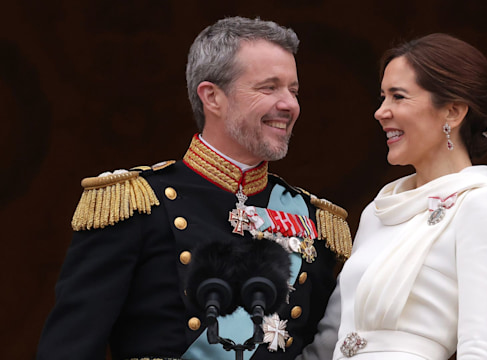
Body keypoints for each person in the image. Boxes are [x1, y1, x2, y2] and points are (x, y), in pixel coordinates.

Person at [37, 16, 352, 360]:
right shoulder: (139, 204)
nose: (289, 105)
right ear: (212, 97)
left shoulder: (313, 220)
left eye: (293, 90)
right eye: (269, 88)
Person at [300, 33, 487, 360]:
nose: (381, 112)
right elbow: (330, 340)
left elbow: (480, 350)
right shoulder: (378, 211)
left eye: (398, 97)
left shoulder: (483, 204)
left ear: (452, 112)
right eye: (382, 97)